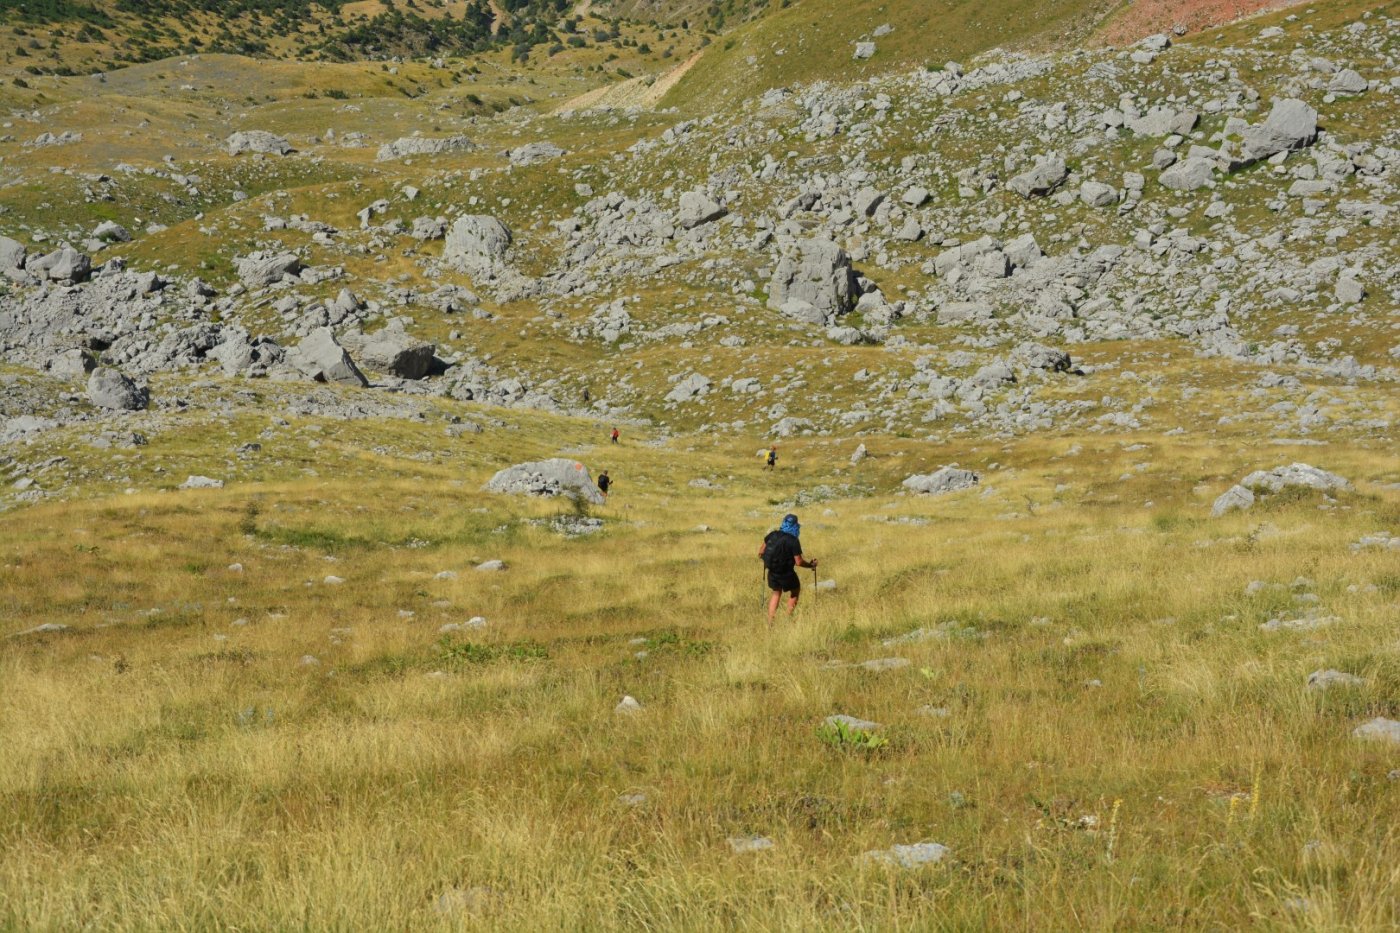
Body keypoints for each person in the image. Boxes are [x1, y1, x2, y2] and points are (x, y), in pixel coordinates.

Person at [758, 513, 817, 623]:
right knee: (795, 591)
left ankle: (770, 623)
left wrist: (769, 562)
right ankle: (787, 618)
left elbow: (761, 552)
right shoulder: (793, 541)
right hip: (786, 572)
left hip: (772, 571)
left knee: (776, 593)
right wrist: (810, 565)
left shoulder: (772, 534)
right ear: (795, 526)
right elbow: (798, 562)